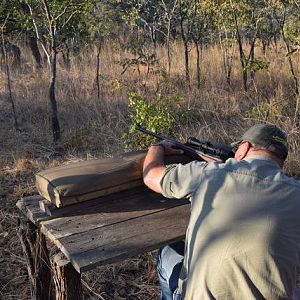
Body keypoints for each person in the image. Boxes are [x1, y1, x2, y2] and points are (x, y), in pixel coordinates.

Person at [142, 123, 300, 300]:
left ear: (244, 148)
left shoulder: (208, 175)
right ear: (281, 161)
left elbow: (151, 176)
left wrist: (158, 147)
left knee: (168, 253)